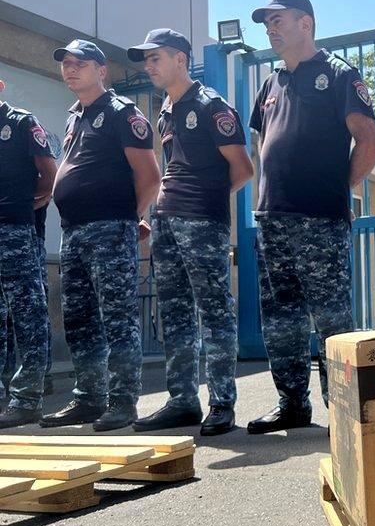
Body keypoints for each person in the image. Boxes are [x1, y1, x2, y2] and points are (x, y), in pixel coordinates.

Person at [248, 0, 375, 434]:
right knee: (279, 315)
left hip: (320, 218)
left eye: (278, 19)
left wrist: (337, 188)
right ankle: (291, 403)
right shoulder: (270, 84)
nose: (270, 28)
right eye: (266, 22)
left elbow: (369, 141)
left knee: (330, 317)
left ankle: (343, 409)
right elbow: (259, 144)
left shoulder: (339, 74)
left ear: (305, 23)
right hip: (273, 219)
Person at [127, 29, 254, 435]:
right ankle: (182, 400)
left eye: (156, 58)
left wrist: (202, 202)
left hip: (201, 222)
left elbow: (243, 168)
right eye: (146, 60)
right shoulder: (166, 109)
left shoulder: (211, 105)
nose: (149, 66)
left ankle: (221, 403)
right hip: (166, 223)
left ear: (181, 58)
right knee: (177, 313)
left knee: (214, 311)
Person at [40, 40, 161, 431]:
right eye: (66, 64)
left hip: (110, 230)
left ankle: (123, 402)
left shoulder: (121, 113)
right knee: (79, 319)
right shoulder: (76, 116)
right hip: (74, 233)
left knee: (117, 318)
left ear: (101, 70)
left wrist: (129, 219)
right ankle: (89, 399)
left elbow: (149, 176)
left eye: (80, 64)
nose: (70, 70)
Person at [0, 77, 57, 428]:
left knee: (28, 315)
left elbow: (50, 176)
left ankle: (28, 397)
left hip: (17, 231)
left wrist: (25, 200)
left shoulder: (20, 123)